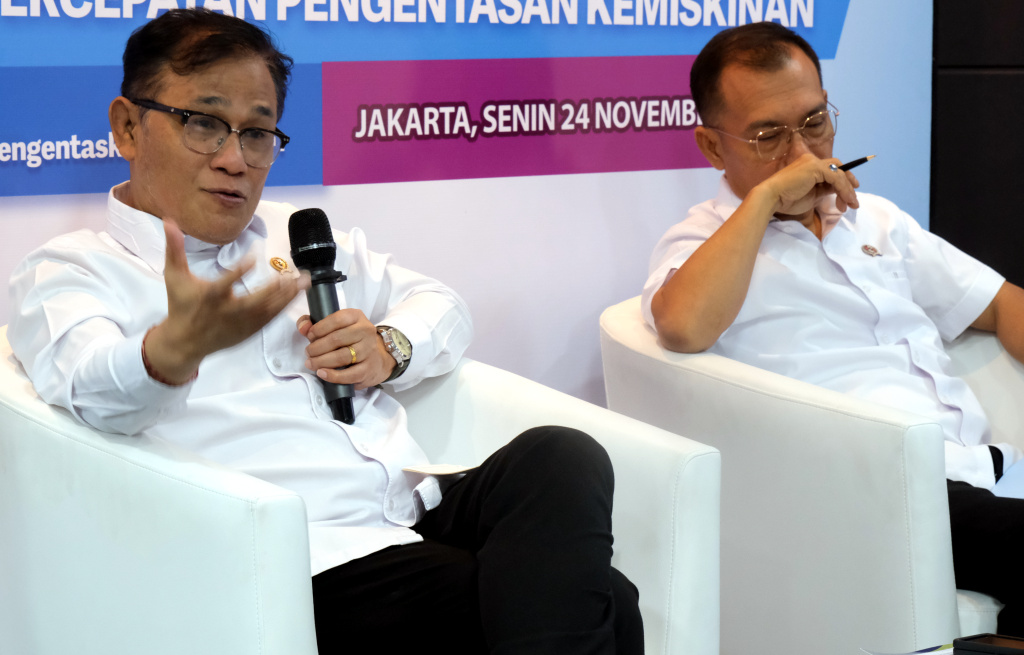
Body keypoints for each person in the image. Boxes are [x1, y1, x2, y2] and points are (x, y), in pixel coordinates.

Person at [8, 9, 642, 654]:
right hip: (301, 559)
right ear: (127, 126)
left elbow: (441, 304)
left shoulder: (296, 235)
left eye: (257, 133)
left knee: (561, 455)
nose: (234, 159)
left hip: (410, 511)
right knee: (607, 601)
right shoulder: (71, 271)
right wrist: (172, 352)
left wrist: (388, 349)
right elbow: (90, 390)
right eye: (203, 123)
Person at [643, 21, 1024, 635]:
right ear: (713, 147)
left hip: (982, 469)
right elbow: (682, 326)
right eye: (769, 136)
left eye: (814, 123)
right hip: (877, 493)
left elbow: (1002, 305)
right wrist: (764, 201)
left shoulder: (875, 220)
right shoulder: (699, 242)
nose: (801, 156)